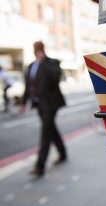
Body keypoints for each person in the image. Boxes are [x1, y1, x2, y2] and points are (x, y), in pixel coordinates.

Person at [21, 41, 67, 177]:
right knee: (51, 129)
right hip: (39, 104)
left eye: (39, 49)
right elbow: (28, 86)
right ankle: (63, 153)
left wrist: (43, 62)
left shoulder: (52, 63)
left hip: (51, 104)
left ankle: (40, 166)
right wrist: (24, 102)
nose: (37, 51)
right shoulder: (31, 66)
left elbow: (56, 77)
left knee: (45, 133)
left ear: (43, 49)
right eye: (36, 49)